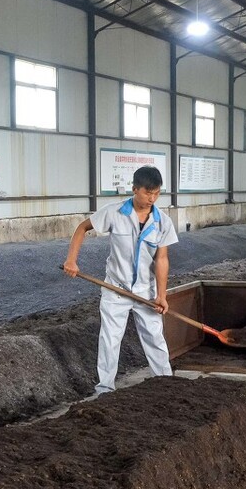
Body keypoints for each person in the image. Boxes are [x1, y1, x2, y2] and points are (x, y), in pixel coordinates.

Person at [63, 165, 178, 394]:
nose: (152, 198)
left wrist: (162, 295)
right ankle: (105, 389)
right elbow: (82, 228)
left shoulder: (163, 222)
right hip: (116, 288)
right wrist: (71, 260)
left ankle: (166, 383)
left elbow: (162, 260)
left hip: (146, 291)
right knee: (110, 340)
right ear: (135, 189)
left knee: (155, 338)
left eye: (157, 193)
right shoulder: (115, 212)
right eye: (147, 192)